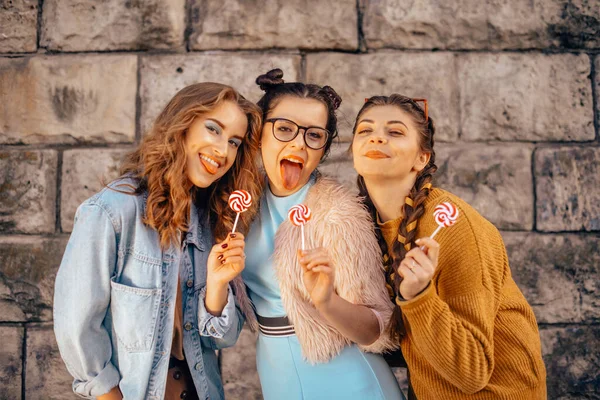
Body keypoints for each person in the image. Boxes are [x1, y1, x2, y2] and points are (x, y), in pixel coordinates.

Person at [53, 82, 263, 400]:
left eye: (234, 142)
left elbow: (222, 340)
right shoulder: (112, 212)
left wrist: (218, 287)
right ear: (182, 125)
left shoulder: (212, 222)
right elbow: (76, 327)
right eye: (213, 129)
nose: (223, 151)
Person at [351, 94, 547, 399]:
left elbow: (471, 373)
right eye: (365, 130)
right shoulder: (366, 226)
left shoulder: (456, 228)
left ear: (422, 158)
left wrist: (418, 297)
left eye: (395, 132)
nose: (376, 138)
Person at [236, 69, 404, 400]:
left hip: (347, 377)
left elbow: (378, 329)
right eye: (284, 129)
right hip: (276, 371)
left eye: (314, 135)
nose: (298, 143)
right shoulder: (239, 204)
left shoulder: (337, 215)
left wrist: (326, 301)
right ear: (259, 134)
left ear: (323, 149)